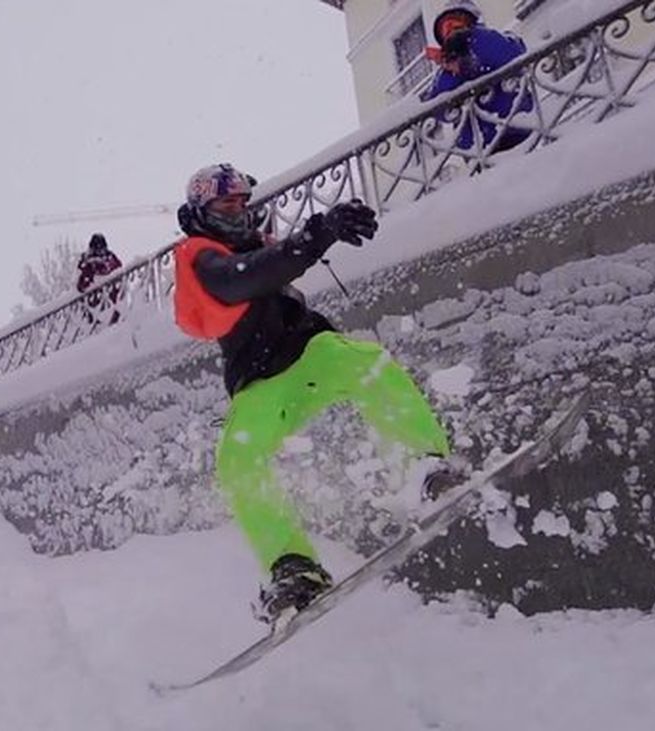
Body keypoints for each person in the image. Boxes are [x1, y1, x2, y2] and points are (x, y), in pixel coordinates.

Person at [172, 163, 465, 623]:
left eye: (243, 203)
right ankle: (293, 566)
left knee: (367, 363)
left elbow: (271, 263)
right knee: (237, 460)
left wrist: (319, 234)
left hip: (309, 353)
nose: (238, 212)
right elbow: (241, 278)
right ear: (202, 212)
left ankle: (424, 468)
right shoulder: (201, 257)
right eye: (226, 204)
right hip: (261, 382)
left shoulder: (262, 246)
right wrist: (316, 235)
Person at [420, 0, 532, 155]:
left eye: (455, 23)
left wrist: (469, 43)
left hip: (515, 129)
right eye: (445, 29)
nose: (450, 30)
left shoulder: (487, 38)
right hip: (479, 148)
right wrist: (453, 66)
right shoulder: (447, 68)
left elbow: (509, 53)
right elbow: (439, 105)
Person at [76, 233, 124, 324]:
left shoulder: (111, 258)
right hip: (94, 307)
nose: (99, 252)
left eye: (101, 249)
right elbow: (80, 287)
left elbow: (119, 273)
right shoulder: (86, 263)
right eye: (97, 249)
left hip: (112, 303)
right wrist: (89, 267)